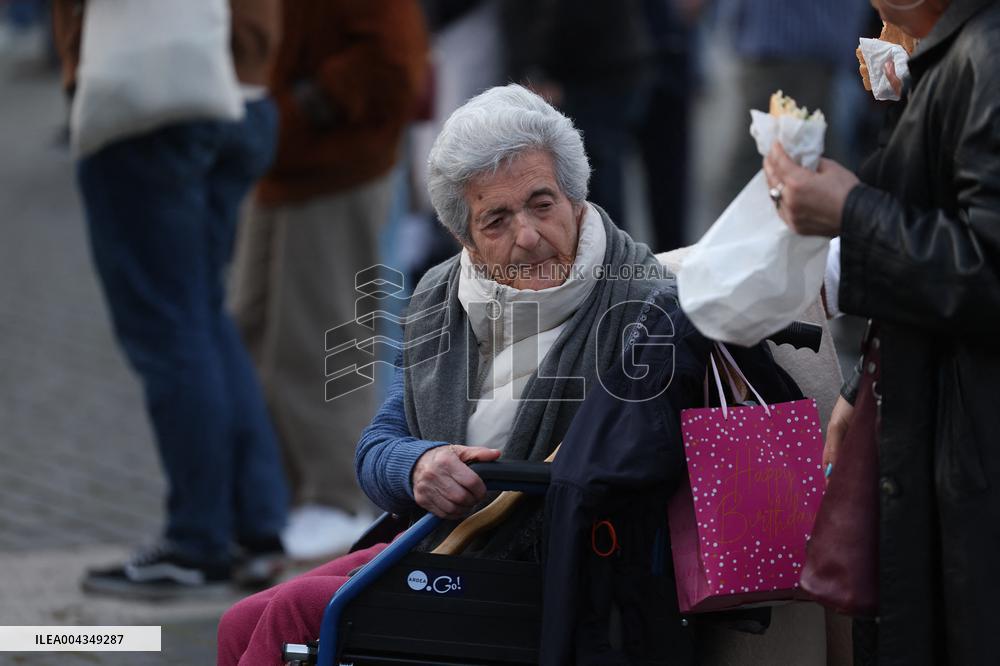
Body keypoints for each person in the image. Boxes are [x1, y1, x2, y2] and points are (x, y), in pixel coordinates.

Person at [217, 84, 687, 665]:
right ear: (466, 239)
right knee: (240, 621)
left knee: (290, 618)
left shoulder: (641, 307)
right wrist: (418, 466)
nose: (528, 236)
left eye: (543, 203)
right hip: (441, 546)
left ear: (577, 198)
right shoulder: (443, 295)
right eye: (496, 220)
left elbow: (633, 470)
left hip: (555, 573)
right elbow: (375, 447)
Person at [762, 0, 1000, 662]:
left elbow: (984, 267)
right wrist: (866, 384)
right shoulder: (951, 46)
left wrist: (851, 214)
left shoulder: (987, 53)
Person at [53, 0, 290, 596]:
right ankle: (252, 530)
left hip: (154, 98)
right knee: (201, 317)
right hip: (244, 90)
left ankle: (197, 540)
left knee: (170, 329)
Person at [229, 0, 429, 561]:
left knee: (324, 335)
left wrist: (296, 111)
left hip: (332, 161)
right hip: (284, 163)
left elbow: (390, 60)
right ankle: (292, 494)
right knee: (257, 331)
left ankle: (340, 497)